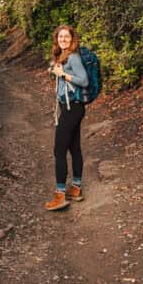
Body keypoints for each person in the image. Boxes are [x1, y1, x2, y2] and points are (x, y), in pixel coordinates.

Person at [44, 24, 89, 211]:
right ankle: (76, 188)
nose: (63, 39)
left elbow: (84, 81)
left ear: (72, 39)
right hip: (70, 107)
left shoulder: (74, 57)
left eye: (67, 37)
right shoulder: (62, 56)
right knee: (74, 146)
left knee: (59, 149)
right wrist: (55, 71)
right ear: (57, 39)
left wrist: (64, 74)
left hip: (73, 109)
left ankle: (60, 194)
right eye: (60, 37)